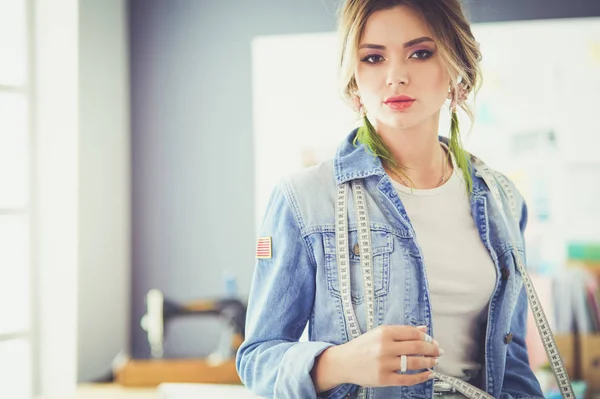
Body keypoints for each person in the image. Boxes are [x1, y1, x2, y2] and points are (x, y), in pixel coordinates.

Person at [236, 0, 546, 398]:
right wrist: (340, 362)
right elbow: (257, 359)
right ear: (354, 78)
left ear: (456, 67)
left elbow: (511, 358)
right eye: (373, 58)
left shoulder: (503, 198)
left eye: (420, 53)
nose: (396, 76)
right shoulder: (305, 200)